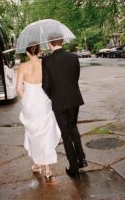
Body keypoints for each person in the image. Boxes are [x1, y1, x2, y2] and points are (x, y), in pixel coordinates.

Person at [42, 35, 87, 178]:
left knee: (66, 134)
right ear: (62, 42)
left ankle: (74, 167)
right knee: (73, 128)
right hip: (74, 99)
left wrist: (53, 96)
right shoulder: (73, 57)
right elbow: (75, 77)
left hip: (59, 102)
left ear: (50, 43)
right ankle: (82, 159)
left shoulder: (47, 60)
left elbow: (46, 85)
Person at [17, 44, 61, 180]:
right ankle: (47, 169)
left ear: (27, 52)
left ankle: (37, 164)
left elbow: (19, 89)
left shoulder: (23, 66)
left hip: (30, 102)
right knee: (45, 131)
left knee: (33, 133)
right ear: (39, 51)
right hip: (43, 100)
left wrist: (27, 99)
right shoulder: (44, 64)